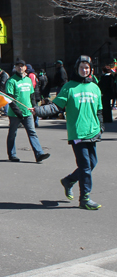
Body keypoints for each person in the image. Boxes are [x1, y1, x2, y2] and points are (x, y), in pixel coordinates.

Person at [34, 55, 103, 210]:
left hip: (93, 132)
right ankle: (85, 198)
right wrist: (38, 110)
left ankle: (69, 181)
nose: (84, 70)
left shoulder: (95, 87)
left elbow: (99, 111)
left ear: (90, 69)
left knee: (93, 163)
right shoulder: (69, 87)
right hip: (78, 132)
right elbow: (55, 107)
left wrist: (101, 127)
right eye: (81, 67)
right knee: (85, 166)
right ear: (76, 69)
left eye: (87, 67)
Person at [5, 59, 50, 163]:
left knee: (32, 132)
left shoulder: (28, 80)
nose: (20, 68)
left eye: (22, 66)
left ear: (25, 67)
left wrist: (35, 109)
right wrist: (18, 112)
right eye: (18, 66)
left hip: (28, 112)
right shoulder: (11, 81)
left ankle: (39, 154)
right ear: (15, 68)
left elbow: (32, 96)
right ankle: (12, 155)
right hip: (15, 114)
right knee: (12, 134)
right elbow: (10, 99)